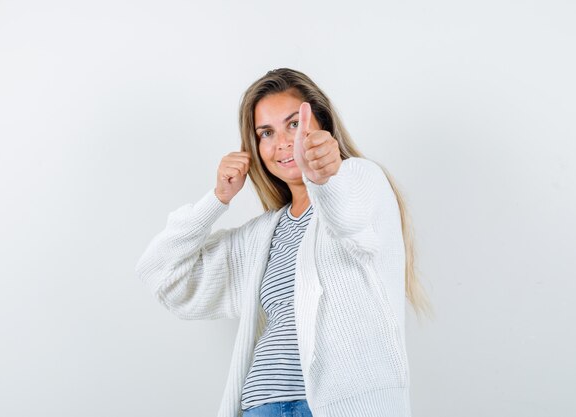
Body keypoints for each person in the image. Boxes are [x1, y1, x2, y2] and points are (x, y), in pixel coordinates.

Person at [135, 68, 433, 417]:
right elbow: (161, 273)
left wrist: (325, 176)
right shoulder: (261, 235)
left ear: (322, 124)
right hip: (261, 407)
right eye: (266, 132)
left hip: (342, 407)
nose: (283, 143)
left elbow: (348, 219)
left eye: (294, 124)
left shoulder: (361, 179)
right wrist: (216, 200)